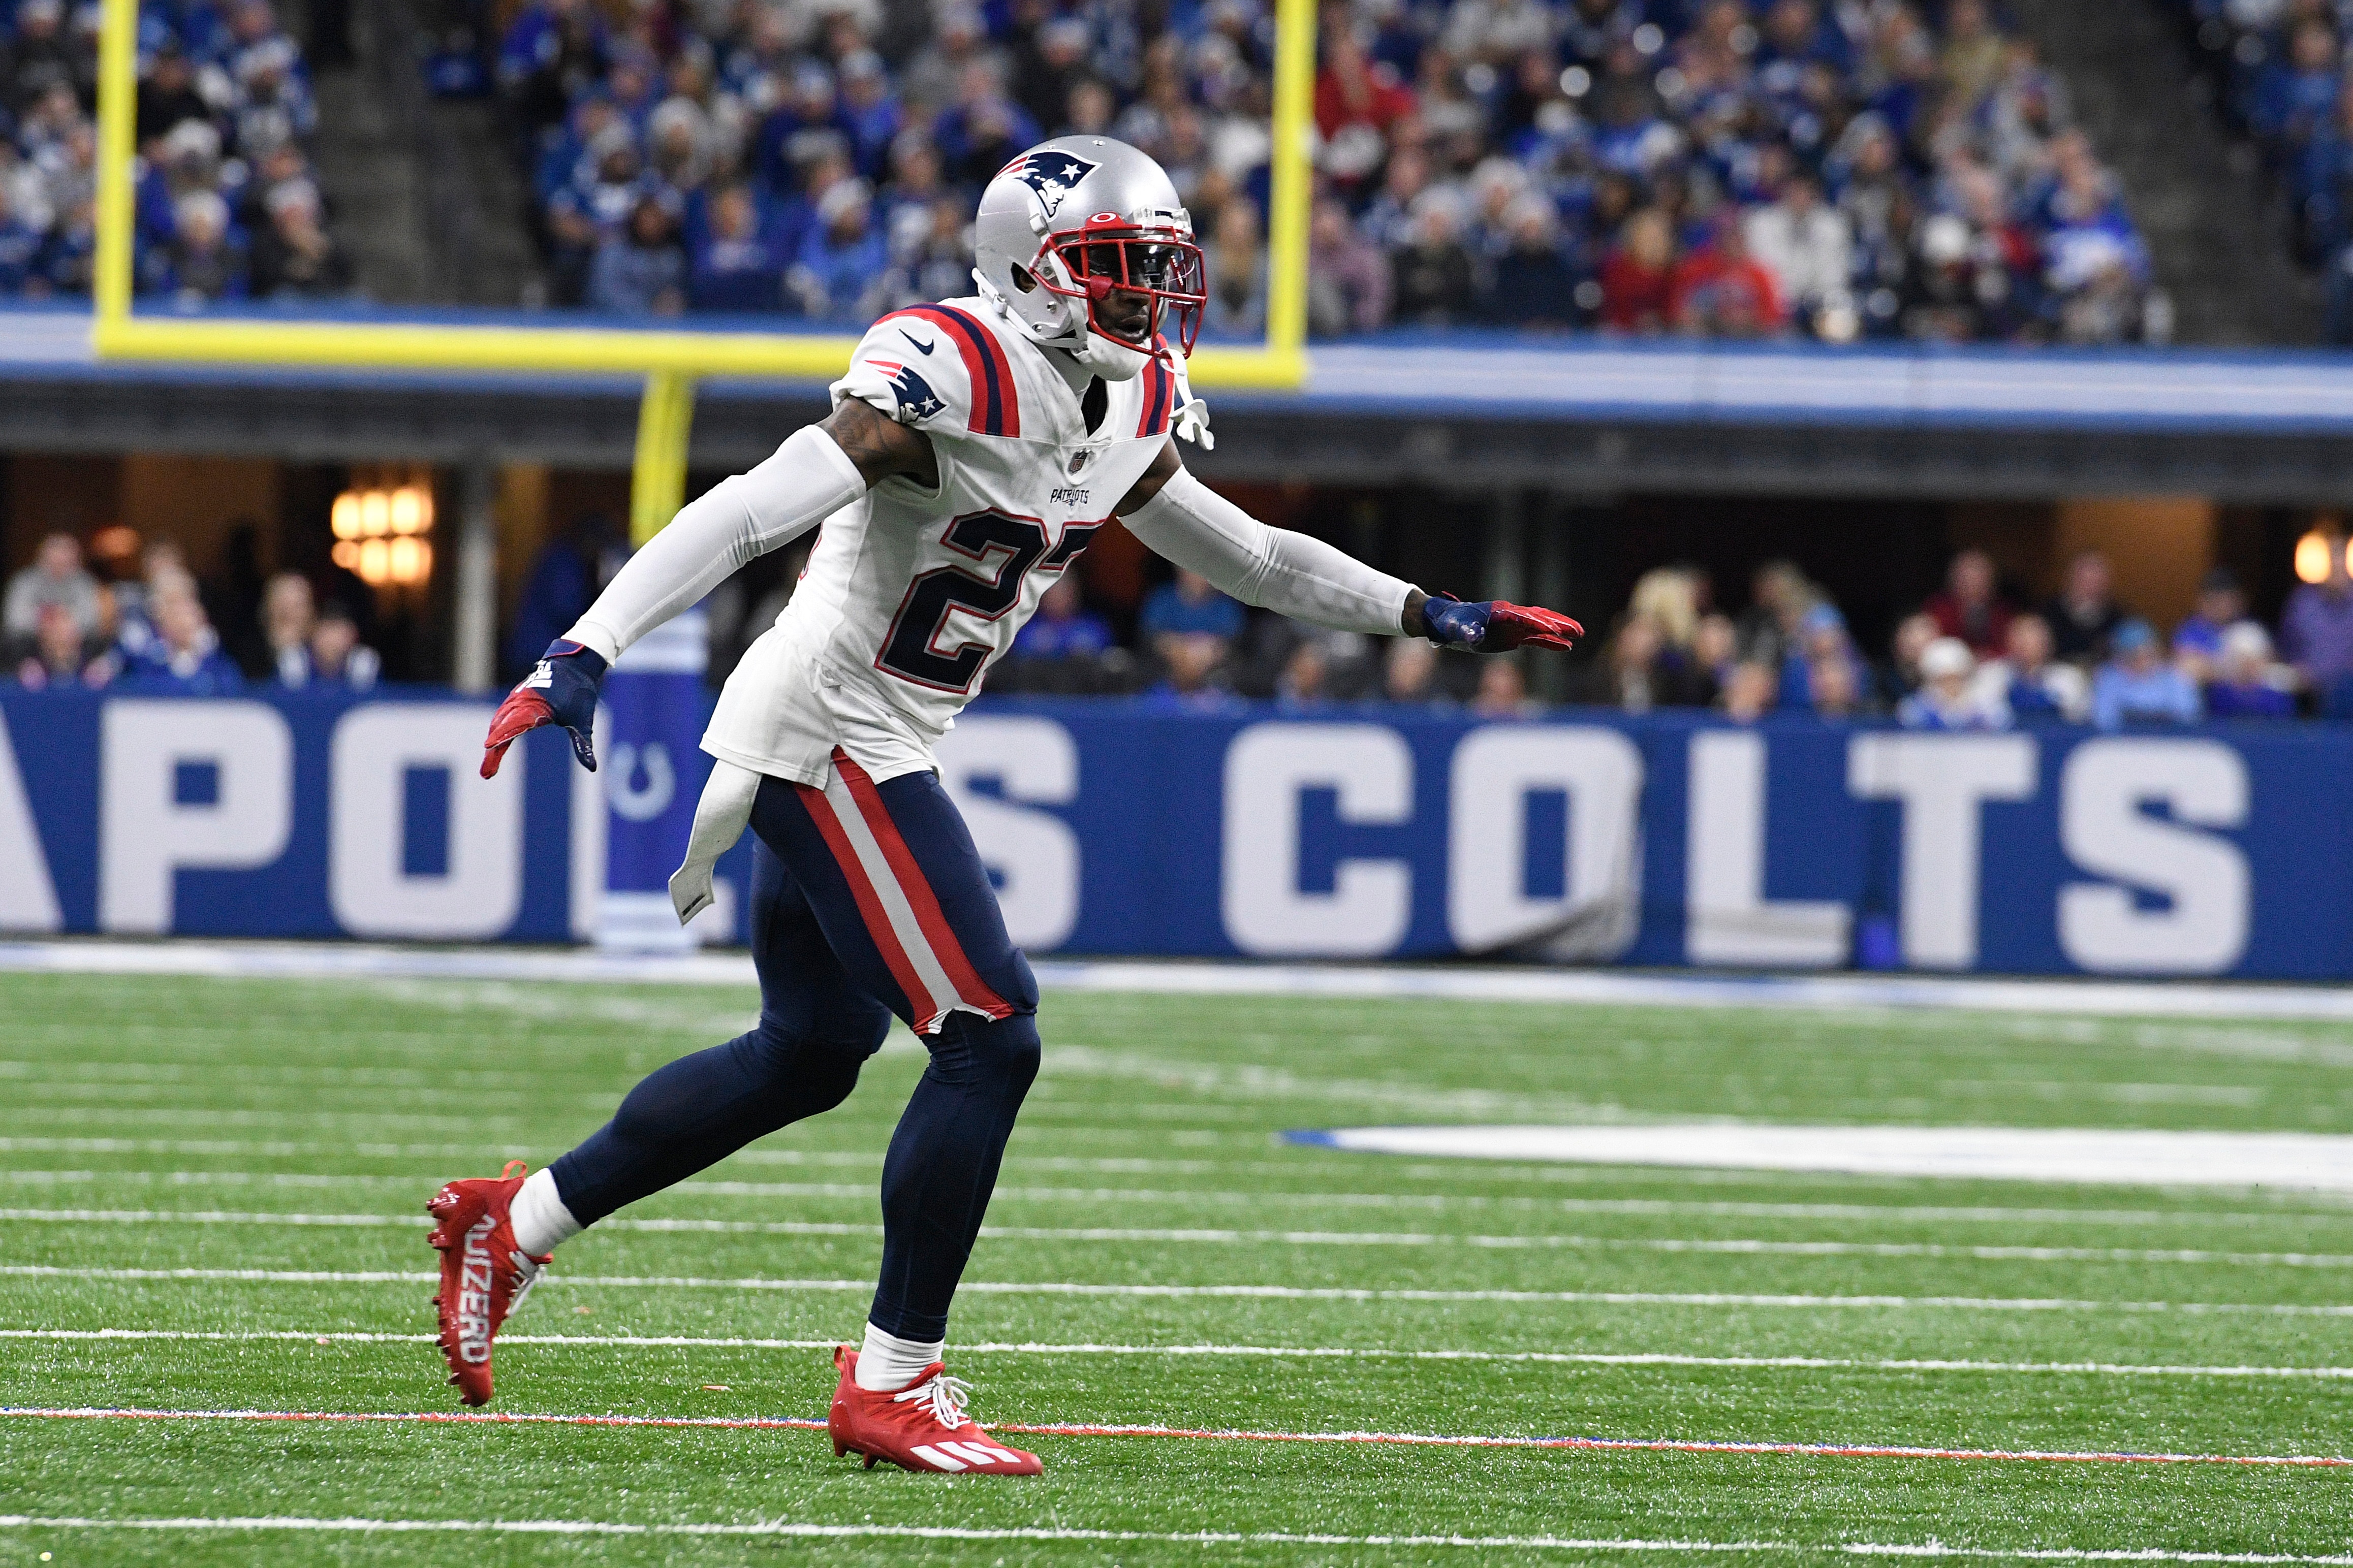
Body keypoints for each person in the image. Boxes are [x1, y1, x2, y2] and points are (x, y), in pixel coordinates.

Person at [434, 136, 1584, 1477]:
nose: (1144, 295)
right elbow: (752, 510)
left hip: (872, 728)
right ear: (1026, 271)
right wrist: (583, 648)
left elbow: (1249, 554)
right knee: (988, 1027)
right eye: (1112, 266)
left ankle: (510, 1222)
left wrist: (1424, 611)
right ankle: (892, 1379)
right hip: (828, 729)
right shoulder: (954, 361)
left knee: (807, 1052)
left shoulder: (1136, 391)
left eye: (1157, 265)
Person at [118, 578, 244, 694]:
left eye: (189, 612)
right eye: (176, 613)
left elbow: (234, 693)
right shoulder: (144, 660)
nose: (184, 622)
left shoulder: (217, 662)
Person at [1971, 612, 2087, 724]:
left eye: (2031, 641)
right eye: (2019, 639)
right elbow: (1980, 713)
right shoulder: (1990, 674)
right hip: (2005, 741)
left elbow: (2078, 716)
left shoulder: (2068, 677)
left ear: (2048, 644)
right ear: (2008, 642)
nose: (2024, 647)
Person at [2091, 618, 2200, 730]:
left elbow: (2188, 717)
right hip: (2122, 743)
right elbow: (2103, 719)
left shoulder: (2175, 676)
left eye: (2147, 653)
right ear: (2120, 655)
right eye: (2133, 655)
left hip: (2169, 742)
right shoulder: (2109, 678)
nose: (2141, 660)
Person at [2280, 534, 2353, 699]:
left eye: (2342, 559)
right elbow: (2286, 646)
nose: (2337, 566)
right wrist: (2297, 670)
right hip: (2306, 695)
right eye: (2331, 560)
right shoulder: (2302, 602)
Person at [1898, 636, 2007, 730]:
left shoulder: (1987, 707)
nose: (1951, 684)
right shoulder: (1914, 708)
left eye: (1956, 678)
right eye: (1943, 680)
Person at [1922, 548, 2012, 659]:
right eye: (1966, 578)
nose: (1973, 583)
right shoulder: (1938, 609)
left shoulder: (2004, 612)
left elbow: (2009, 647)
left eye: (1979, 577)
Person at [2042, 549, 2126, 664]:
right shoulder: (2048, 613)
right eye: (2084, 580)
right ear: (2070, 580)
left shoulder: (2119, 618)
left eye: (2097, 581)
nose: (2091, 587)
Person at [2203, 621, 2294, 721]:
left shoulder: (2278, 699)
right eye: (2241, 660)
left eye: (2253, 660)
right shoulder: (2219, 696)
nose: (2247, 666)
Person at [2170, 567, 2247, 682]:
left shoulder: (2247, 629)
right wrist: (2230, 669)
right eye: (2211, 600)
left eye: (2223, 600)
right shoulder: (2191, 630)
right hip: (2204, 694)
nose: (2217, 606)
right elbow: (2186, 667)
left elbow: (2265, 667)